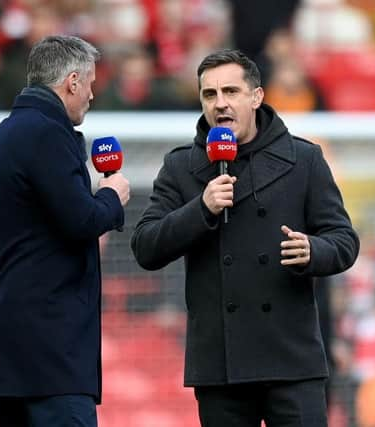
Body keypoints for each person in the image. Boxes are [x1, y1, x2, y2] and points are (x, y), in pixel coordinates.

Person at [131, 49, 359, 427]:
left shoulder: (304, 159)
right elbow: (145, 246)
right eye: (209, 94)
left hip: (292, 361)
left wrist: (312, 250)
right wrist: (201, 208)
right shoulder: (181, 167)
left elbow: (344, 241)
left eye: (231, 92)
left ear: (256, 97)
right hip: (221, 367)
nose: (220, 104)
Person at [0, 35, 130, 427]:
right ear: (71, 81)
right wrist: (111, 197)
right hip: (51, 347)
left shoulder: (0, 137)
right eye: (89, 83)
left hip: (12, 341)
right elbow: (81, 220)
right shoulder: (47, 134)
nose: (91, 94)